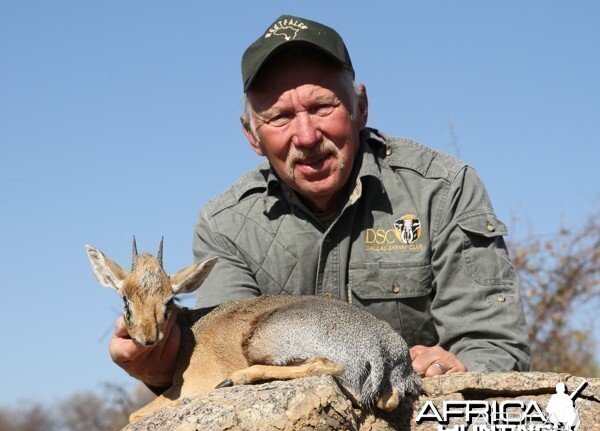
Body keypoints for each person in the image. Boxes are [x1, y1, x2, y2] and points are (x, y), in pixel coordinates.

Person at [109, 15, 531, 393]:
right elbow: (224, 357)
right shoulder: (225, 224)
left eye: (322, 106)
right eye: (280, 117)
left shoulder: (443, 188)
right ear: (252, 136)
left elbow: (494, 346)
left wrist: (456, 369)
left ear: (359, 106)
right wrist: (158, 367)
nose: (307, 136)